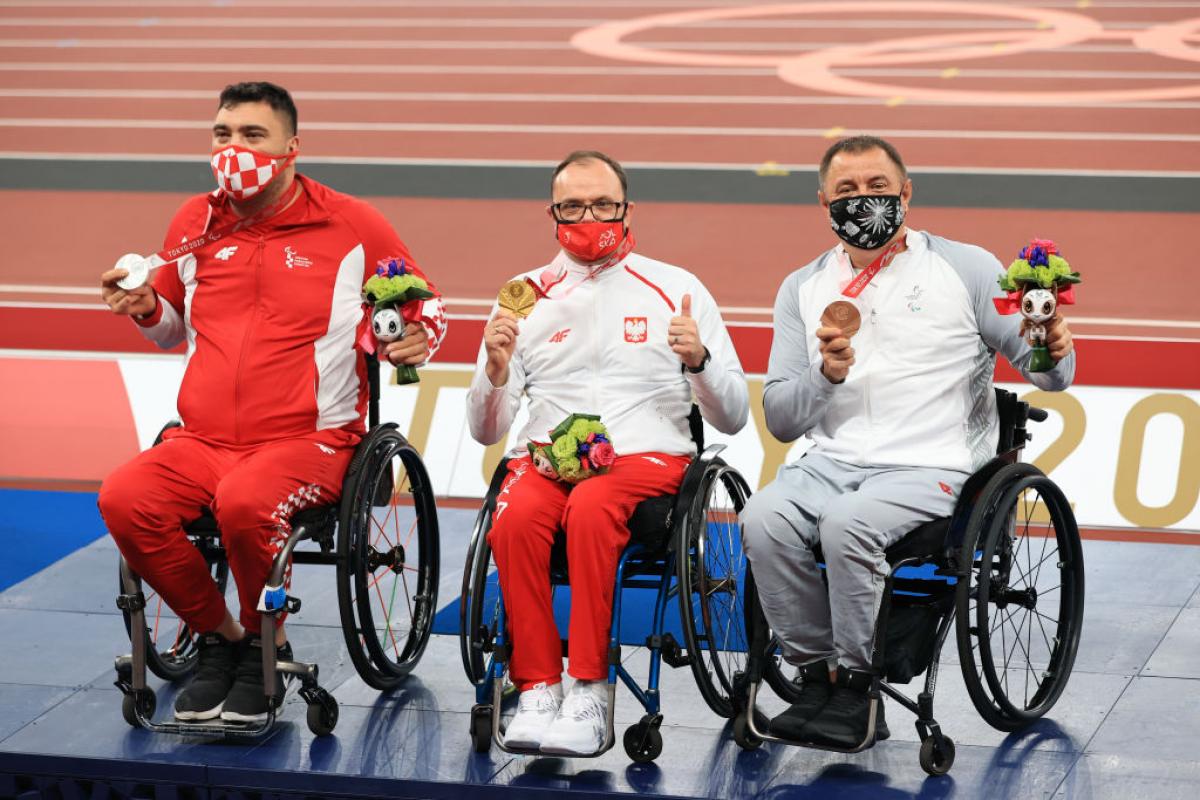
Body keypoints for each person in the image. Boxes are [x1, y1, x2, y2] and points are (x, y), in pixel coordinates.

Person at [97, 82, 446, 725]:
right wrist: (147, 307)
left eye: (252, 136)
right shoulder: (193, 222)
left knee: (246, 502)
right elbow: (174, 324)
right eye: (222, 134)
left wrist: (416, 338)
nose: (234, 148)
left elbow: (422, 309)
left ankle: (267, 643)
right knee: (123, 498)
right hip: (200, 441)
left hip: (309, 442)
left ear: (291, 147)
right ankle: (225, 639)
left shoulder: (353, 224)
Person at [741, 135, 1076, 748]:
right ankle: (817, 675)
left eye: (877, 188)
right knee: (762, 519)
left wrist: (1053, 348)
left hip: (934, 465)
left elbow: (1045, 372)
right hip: (831, 462)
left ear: (906, 192)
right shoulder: (803, 286)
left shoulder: (966, 267)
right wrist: (824, 377)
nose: (863, 202)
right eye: (846, 191)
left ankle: (858, 687)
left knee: (847, 524)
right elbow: (781, 420)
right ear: (823, 202)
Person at [466, 150, 749, 755]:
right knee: (513, 519)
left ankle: (590, 686)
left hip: (645, 458)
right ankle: (538, 685)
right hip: (545, 459)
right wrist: (492, 371)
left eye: (601, 204)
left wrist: (699, 362)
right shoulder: (523, 296)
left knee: (593, 505)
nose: (587, 216)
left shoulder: (676, 287)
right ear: (553, 213)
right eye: (572, 206)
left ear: (625, 208)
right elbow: (486, 432)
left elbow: (733, 415)